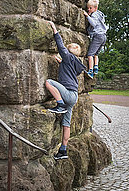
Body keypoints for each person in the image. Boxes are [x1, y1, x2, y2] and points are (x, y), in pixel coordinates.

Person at [45, 21, 87, 160]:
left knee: (49, 82)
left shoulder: (67, 56)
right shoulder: (75, 62)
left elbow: (60, 45)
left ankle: (60, 104)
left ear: (69, 52)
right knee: (66, 124)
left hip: (67, 94)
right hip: (74, 96)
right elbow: (68, 71)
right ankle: (63, 150)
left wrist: (54, 29)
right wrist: (60, 63)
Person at [83, 0, 108, 79]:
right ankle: (96, 67)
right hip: (103, 36)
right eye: (88, 8)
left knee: (90, 54)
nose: (88, 9)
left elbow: (93, 24)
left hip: (98, 36)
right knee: (96, 54)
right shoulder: (100, 14)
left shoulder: (94, 15)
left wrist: (87, 16)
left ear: (95, 8)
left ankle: (90, 71)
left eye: (90, 8)